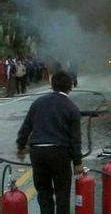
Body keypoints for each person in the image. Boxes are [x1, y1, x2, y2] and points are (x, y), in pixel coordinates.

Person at [16, 71, 83, 214]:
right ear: (70, 87)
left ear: (52, 85)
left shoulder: (38, 103)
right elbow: (75, 138)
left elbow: (26, 128)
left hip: (38, 153)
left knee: (44, 193)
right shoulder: (72, 108)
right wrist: (77, 162)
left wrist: (21, 146)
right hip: (59, 153)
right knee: (62, 194)